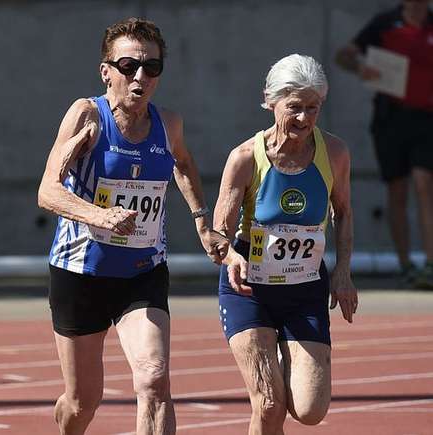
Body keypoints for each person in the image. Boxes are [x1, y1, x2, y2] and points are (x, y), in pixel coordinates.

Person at [37, 17, 226, 435]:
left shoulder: (168, 124)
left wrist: (201, 220)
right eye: (128, 66)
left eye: (152, 68)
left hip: (142, 273)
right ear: (106, 71)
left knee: (155, 379)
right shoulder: (86, 115)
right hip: (80, 274)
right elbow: (47, 192)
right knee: (82, 401)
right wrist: (99, 215)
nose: (140, 76)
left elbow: (185, 164)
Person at [213, 54, 358, 433]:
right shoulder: (245, 159)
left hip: (305, 289)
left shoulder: (335, 154)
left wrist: (342, 272)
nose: (304, 119)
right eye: (294, 107)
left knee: (310, 410)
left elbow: (343, 211)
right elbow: (218, 233)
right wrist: (230, 256)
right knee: (270, 402)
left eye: (313, 108)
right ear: (269, 100)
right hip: (250, 290)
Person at [335, 1, 433, 288]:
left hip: (427, 120)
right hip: (391, 119)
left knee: (424, 184)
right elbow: (344, 56)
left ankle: (430, 263)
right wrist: (361, 68)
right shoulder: (385, 23)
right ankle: (405, 265)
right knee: (397, 189)